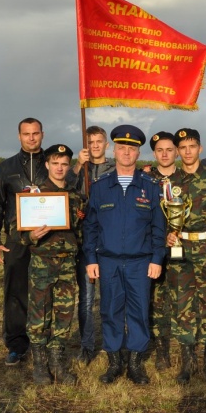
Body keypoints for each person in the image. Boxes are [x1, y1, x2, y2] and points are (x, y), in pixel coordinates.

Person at [83, 125, 166, 385]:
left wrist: (156, 259)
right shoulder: (100, 187)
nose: (127, 152)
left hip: (140, 262)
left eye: (131, 148)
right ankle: (115, 361)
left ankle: (135, 362)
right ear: (114, 150)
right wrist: (91, 260)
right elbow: (91, 227)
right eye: (122, 147)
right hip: (107, 261)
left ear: (138, 151)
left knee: (139, 311)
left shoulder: (150, 186)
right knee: (110, 310)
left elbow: (158, 227)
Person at [165, 128, 206, 384]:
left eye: (192, 146)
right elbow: (165, 220)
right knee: (182, 308)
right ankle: (188, 363)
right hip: (181, 251)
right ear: (178, 151)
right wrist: (168, 236)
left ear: (200, 148)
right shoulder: (170, 184)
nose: (188, 151)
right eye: (182, 147)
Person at [20, 144, 85, 385]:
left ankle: (57, 362)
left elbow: (80, 232)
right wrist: (32, 236)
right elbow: (20, 234)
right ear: (46, 165)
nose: (60, 168)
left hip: (68, 264)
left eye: (64, 163)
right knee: (39, 313)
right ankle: (40, 365)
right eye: (55, 163)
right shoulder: (34, 196)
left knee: (64, 314)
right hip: (42, 263)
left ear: (69, 166)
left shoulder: (76, 196)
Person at [0, 117, 47, 366]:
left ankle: (46, 341)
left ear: (42, 134)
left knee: (45, 292)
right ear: (19, 136)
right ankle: (17, 344)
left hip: (47, 238)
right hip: (15, 240)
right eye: (26, 134)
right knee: (16, 293)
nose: (31, 138)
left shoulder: (53, 164)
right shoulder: (7, 167)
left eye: (35, 133)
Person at [72, 126, 116, 365]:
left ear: (106, 144)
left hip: (109, 242)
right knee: (87, 299)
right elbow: (65, 188)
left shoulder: (115, 168)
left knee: (111, 297)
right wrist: (78, 166)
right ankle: (87, 345)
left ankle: (114, 345)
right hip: (84, 242)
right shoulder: (79, 169)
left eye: (99, 141)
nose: (95, 146)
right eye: (91, 142)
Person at [146, 131, 178, 370]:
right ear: (154, 153)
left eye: (169, 149)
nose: (165, 154)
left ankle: (191, 346)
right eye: (160, 150)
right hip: (154, 249)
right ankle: (162, 350)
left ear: (176, 151)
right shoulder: (144, 179)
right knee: (157, 302)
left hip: (183, 250)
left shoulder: (187, 177)